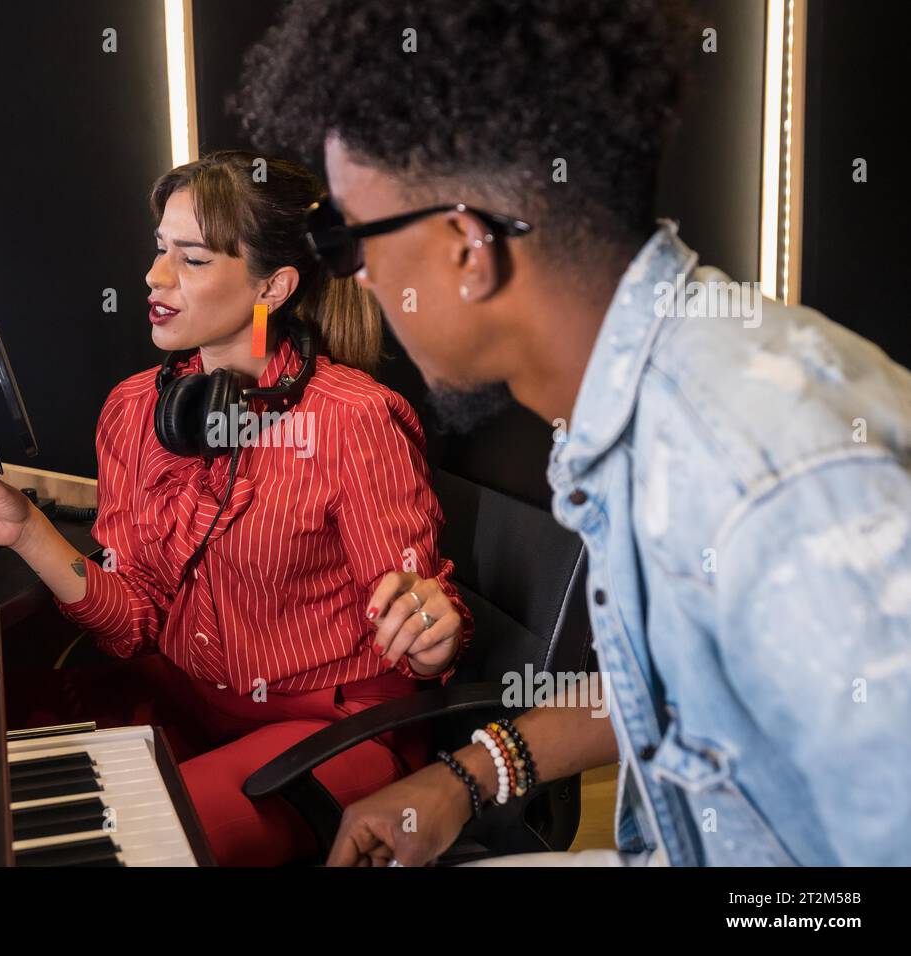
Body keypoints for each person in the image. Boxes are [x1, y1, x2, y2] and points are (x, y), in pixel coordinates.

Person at [235, 0, 911, 866]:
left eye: (351, 239)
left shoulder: (758, 476)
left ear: (464, 248)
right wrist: (465, 778)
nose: (357, 279)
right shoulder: (640, 409)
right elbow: (668, 688)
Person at [0, 150, 473, 865]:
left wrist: (433, 631)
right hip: (181, 701)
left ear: (274, 285)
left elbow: (422, 627)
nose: (154, 277)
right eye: (158, 251)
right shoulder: (130, 411)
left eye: (194, 258)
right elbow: (133, 628)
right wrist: (28, 532)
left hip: (333, 730)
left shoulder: (353, 419)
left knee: (126, 846)